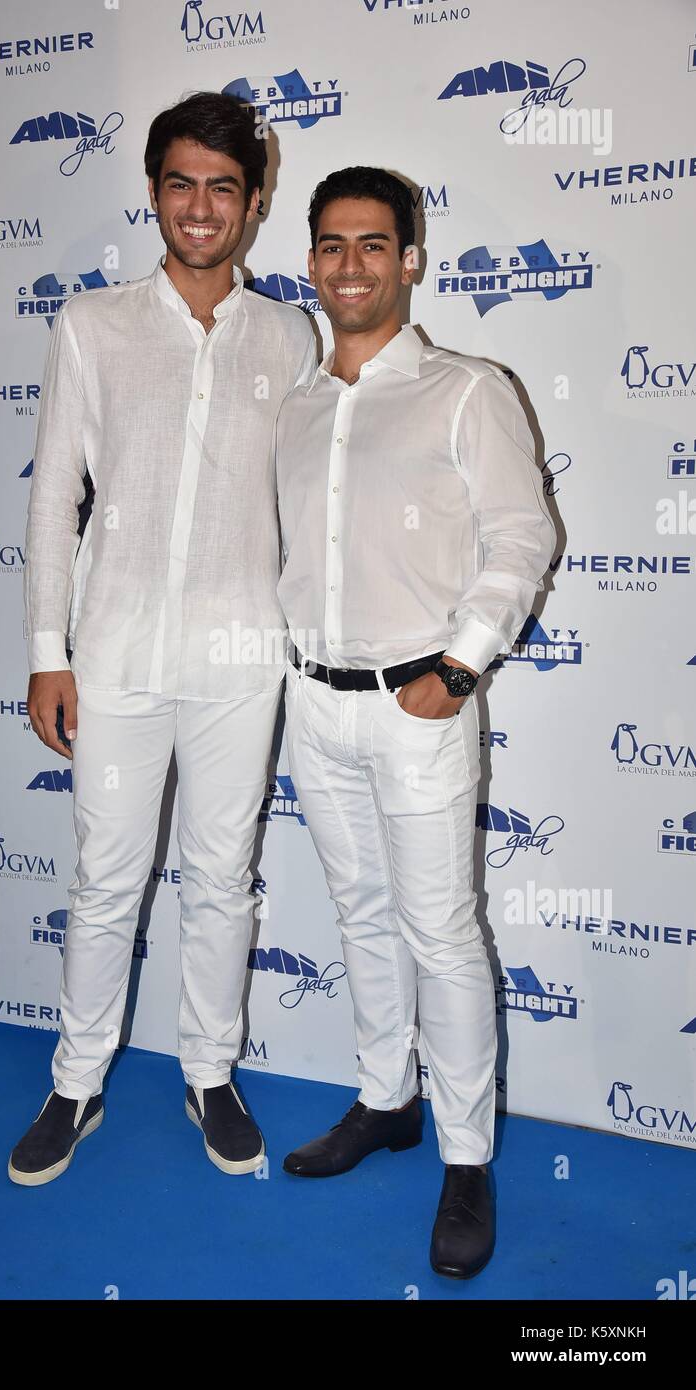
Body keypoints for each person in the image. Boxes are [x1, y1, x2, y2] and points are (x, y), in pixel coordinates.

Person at [9, 91, 316, 1187]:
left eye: (222, 188)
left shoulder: (289, 332)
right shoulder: (92, 325)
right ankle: (77, 1080)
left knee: (223, 878)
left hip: (243, 656)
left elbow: (304, 498)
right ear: (153, 193)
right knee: (104, 877)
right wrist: (51, 648)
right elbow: (55, 498)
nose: (199, 206)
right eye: (180, 183)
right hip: (118, 649)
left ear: (252, 203)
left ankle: (208, 1070)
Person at [274, 166, 557, 1277]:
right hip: (314, 698)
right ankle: (385, 1100)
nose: (350, 264)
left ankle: (466, 1156)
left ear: (409, 260)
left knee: (440, 930)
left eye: (372, 245)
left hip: (418, 703)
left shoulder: (463, 388)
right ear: (310, 260)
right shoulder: (296, 402)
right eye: (331, 245)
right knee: (357, 911)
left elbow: (519, 536)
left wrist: (458, 664)